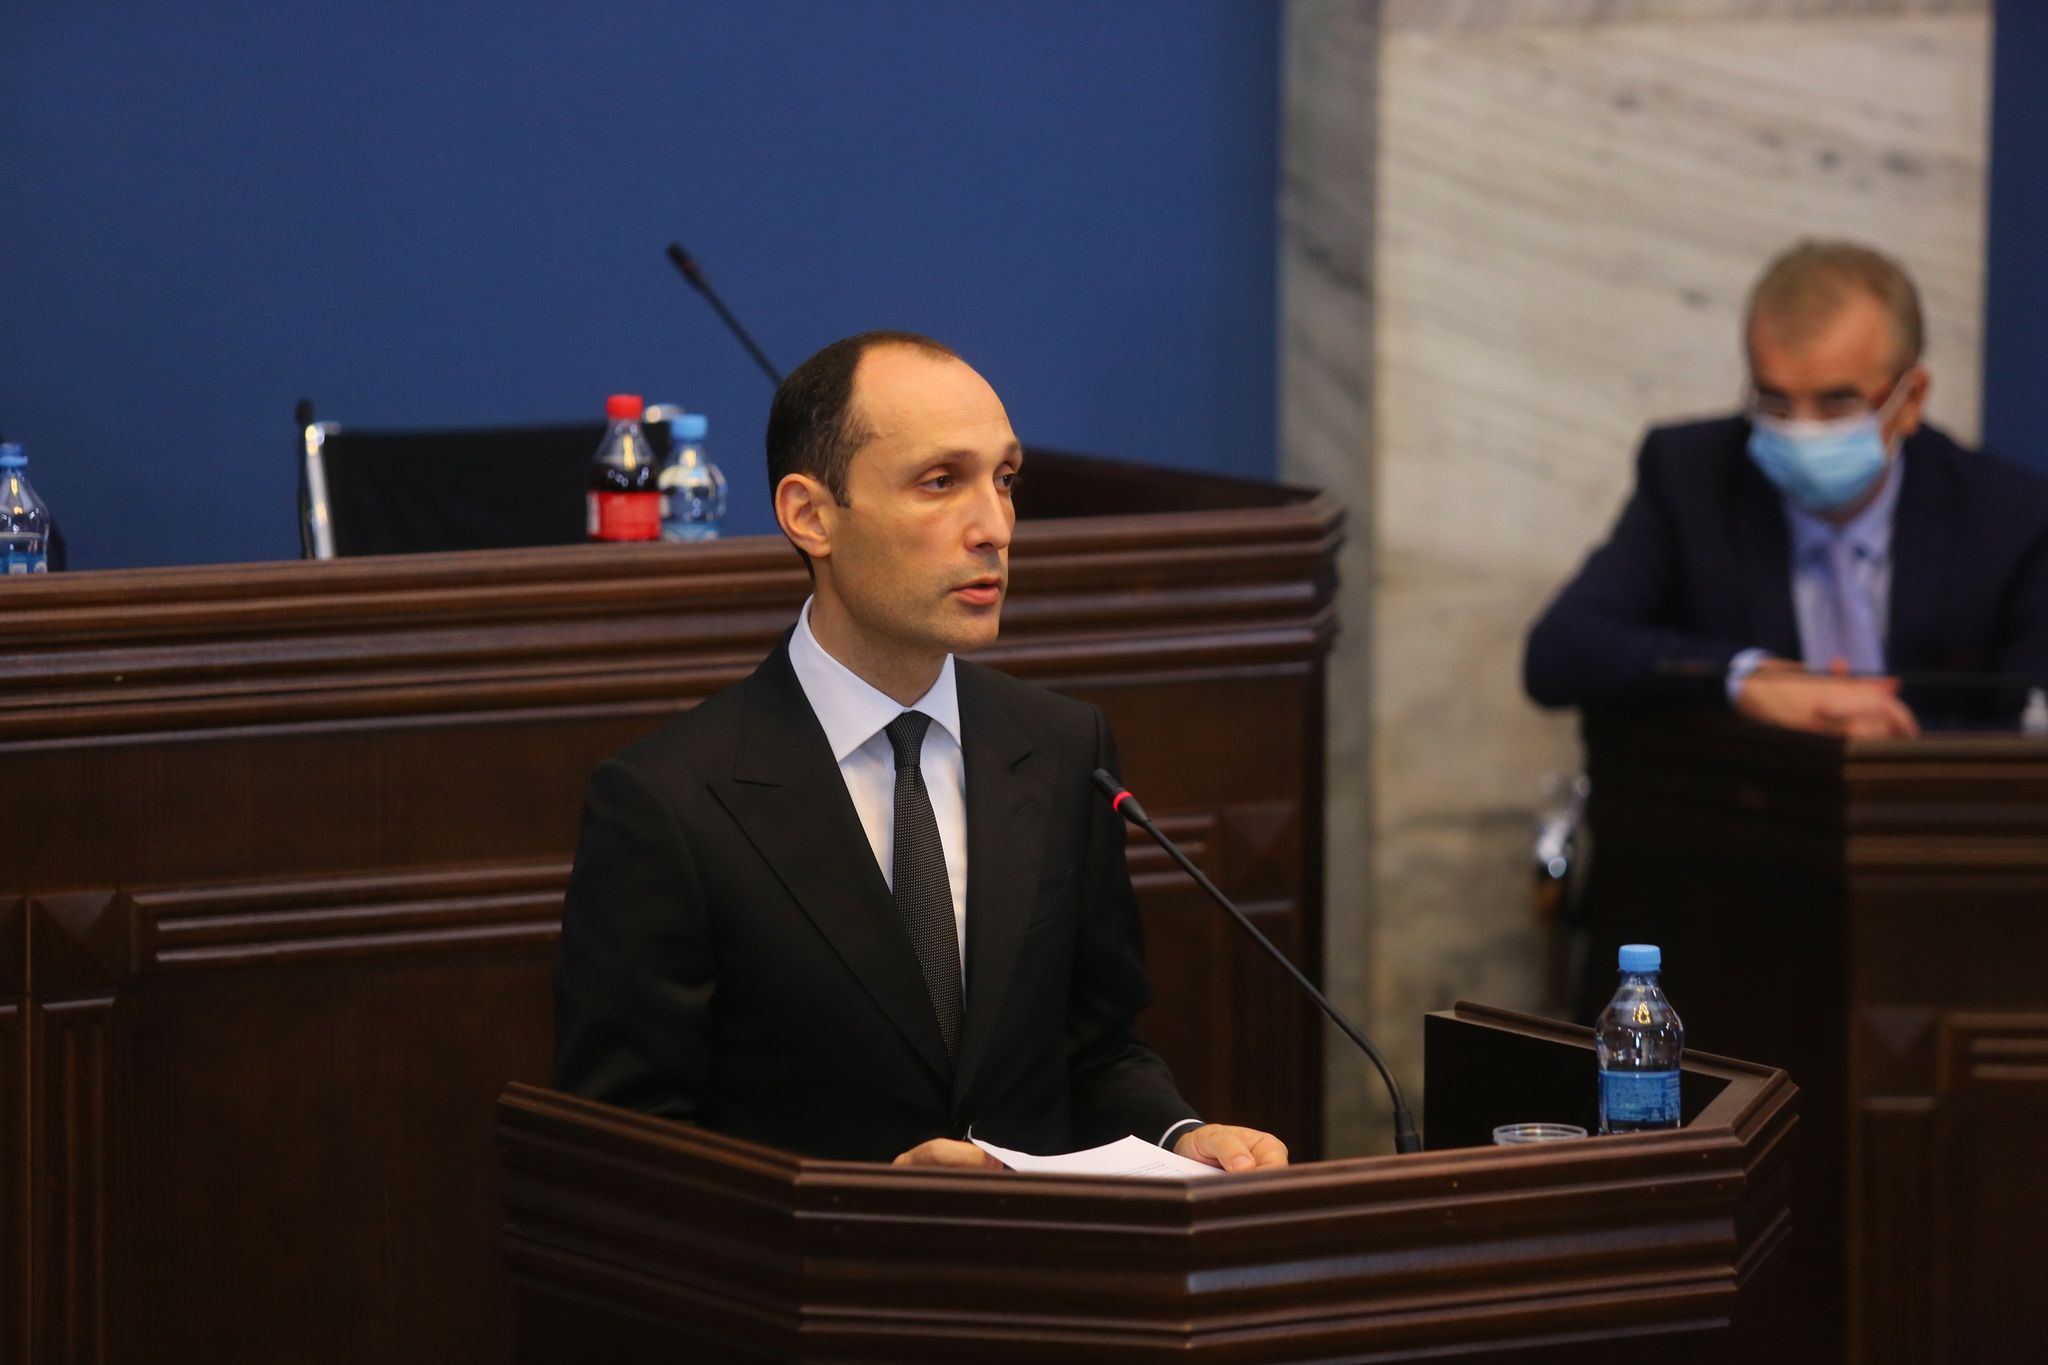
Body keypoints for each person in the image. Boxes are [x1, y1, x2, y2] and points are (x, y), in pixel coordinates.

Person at [553, 330, 1287, 1173]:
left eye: (1004, 479)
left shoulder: (1061, 747)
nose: (994, 527)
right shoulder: (667, 801)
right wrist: (866, 1199)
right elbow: (624, 1155)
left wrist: (1179, 1135)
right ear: (810, 516)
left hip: (1039, 1255)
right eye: (940, 482)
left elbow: (1095, 1052)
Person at [1524, 239, 2048, 737]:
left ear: (1911, 400)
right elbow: (1559, 653)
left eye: (1837, 403)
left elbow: (2031, 723)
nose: (1801, 430)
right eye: (1773, 401)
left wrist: (1883, 738)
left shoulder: (2009, 518)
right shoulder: (1692, 477)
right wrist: (1744, 678)